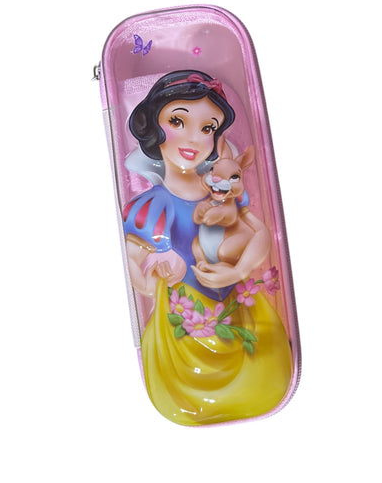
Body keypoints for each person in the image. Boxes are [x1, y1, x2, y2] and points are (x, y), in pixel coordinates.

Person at [122, 70, 292, 425]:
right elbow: (132, 261)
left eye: (207, 128)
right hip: (185, 319)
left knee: (262, 364)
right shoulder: (153, 204)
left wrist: (240, 269)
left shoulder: (223, 192)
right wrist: (152, 281)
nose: (193, 138)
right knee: (186, 377)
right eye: (177, 121)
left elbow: (260, 234)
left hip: (239, 306)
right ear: (153, 128)